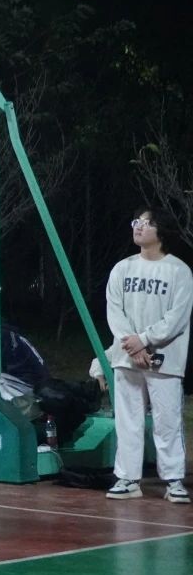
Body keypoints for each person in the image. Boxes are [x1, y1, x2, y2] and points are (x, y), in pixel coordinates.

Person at [104, 209, 191, 503]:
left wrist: (143, 341)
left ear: (162, 230)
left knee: (168, 421)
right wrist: (133, 346)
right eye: (136, 222)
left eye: (147, 223)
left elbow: (176, 319)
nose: (139, 227)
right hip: (126, 358)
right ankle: (128, 478)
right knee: (128, 421)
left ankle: (174, 480)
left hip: (165, 359)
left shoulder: (179, 271)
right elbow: (114, 312)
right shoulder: (122, 268)